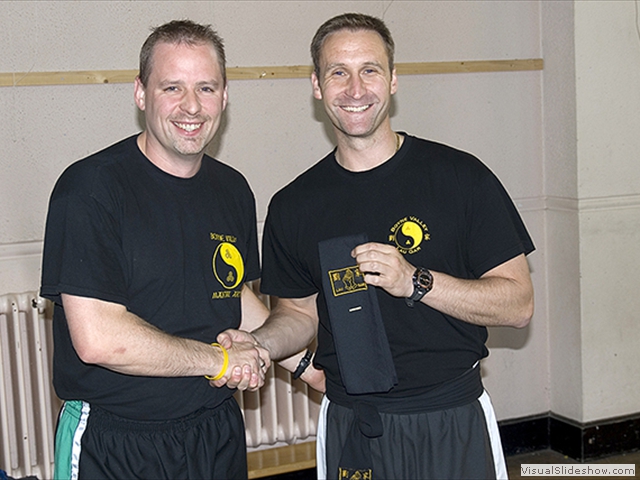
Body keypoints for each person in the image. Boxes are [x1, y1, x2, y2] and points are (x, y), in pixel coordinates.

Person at [220, 12, 535, 480]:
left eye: (369, 70)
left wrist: (416, 282)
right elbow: (300, 316)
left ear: (392, 81)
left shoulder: (460, 177)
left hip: (451, 417)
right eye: (338, 73)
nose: (355, 88)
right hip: (352, 422)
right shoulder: (293, 204)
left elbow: (518, 304)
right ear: (317, 86)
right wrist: (258, 344)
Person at [40, 19, 303, 480]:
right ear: (141, 93)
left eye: (206, 87)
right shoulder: (90, 189)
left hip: (214, 431)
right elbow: (100, 339)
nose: (192, 107)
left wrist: (312, 367)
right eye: (172, 87)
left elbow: (230, 294)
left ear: (225, 96)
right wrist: (222, 360)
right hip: (115, 442)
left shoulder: (232, 189)